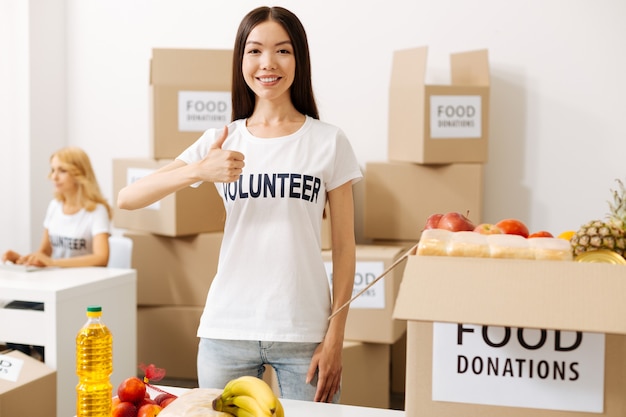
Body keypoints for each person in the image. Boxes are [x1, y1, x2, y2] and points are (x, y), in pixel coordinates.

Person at [117, 6, 362, 403]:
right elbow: (128, 199)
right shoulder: (222, 139)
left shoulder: (328, 141)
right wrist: (199, 169)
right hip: (226, 329)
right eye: (255, 51)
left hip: (304, 332)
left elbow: (345, 248)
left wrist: (336, 336)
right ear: (241, 60)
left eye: (282, 51)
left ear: (299, 59)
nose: (268, 63)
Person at [1, 146, 112, 359]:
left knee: (29, 318)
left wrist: (52, 262)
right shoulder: (54, 206)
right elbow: (44, 252)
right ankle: (29, 373)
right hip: (53, 286)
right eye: (53, 170)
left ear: (78, 172)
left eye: (61, 170)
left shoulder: (96, 211)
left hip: (78, 292)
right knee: (12, 312)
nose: (53, 176)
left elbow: (101, 258)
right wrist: (22, 258)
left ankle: (46, 368)